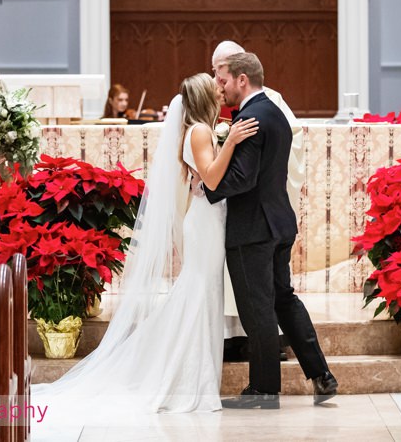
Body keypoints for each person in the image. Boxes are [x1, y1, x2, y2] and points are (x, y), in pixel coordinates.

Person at [31, 73, 257, 426]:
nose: (219, 89)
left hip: (209, 219)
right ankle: (187, 382)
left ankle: (197, 380)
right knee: (199, 293)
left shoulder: (199, 129)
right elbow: (211, 179)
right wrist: (230, 143)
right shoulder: (199, 131)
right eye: (213, 88)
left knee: (203, 294)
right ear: (203, 98)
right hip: (205, 223)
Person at [206, 52, 336, 409]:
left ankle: (263, 390)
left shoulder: (250, 117)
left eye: (225, 80)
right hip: (279, 221)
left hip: (253, 228)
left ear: (242, 79)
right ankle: (321, 375)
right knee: (282, 298)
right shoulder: (275, 112)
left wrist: (208, 187)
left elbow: (243, 178)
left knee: (257, 308)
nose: (221, 86)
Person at [211, 40, 303, 358]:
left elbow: (289, 140)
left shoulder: (268, 102)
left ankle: (266, 368)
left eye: (221, 72)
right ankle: (228, 338)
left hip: (252, 211)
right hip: (229, 210)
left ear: (238, 72)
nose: (217, 80)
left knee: (262, 292)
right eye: (214, 71)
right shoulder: (210, 99)